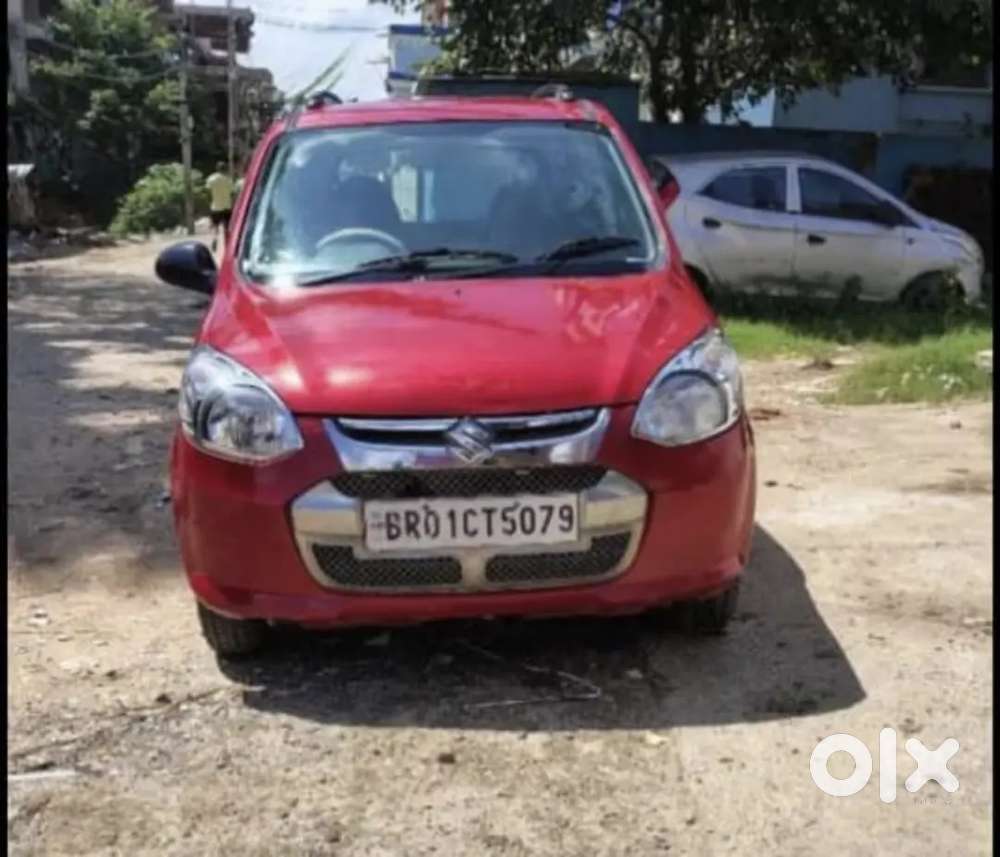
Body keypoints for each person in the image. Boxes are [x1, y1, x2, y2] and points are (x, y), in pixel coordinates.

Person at [205, 162, 234, 252]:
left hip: (215, 207)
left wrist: (209, 203)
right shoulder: (228, 179)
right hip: (227, 206)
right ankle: (227, 245)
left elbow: (208, 192)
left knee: (215, 226)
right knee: (227, 228)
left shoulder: (211, 179)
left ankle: (215, 239)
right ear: (225, 169)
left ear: (217, 168)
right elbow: (232, 193)